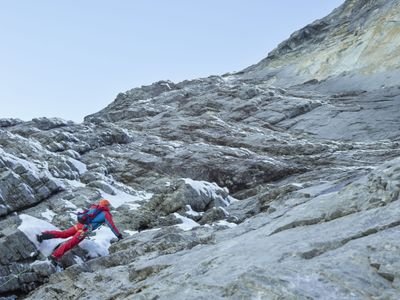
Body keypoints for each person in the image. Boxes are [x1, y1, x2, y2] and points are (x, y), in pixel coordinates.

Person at [37, 199, 123, 262]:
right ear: (107, 206)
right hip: (84, 230)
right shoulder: (106, 214)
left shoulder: (94, 207)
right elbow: (112, 226)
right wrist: (119, 235)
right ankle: (55, 256)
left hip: (79, 225)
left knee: (64, 234)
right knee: (71, 243)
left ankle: (44, 235)